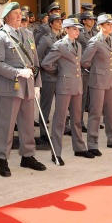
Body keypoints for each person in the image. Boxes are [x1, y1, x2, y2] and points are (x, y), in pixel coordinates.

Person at [0, 2, 45, 177]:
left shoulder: (28, 34)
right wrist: (17, 72)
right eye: (16, 13)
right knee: (6, 126)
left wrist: (37, 83)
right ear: (7, 17)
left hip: (27, 86)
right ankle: (2, 159)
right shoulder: (0, 36)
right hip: (9, 87)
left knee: (27, 124)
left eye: (21, 13)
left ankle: (27, 156)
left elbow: (35, 62)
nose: (20, 16)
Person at [41, 18, 93, 165]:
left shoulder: (78, 45)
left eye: (78, 29)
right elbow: (46, 63)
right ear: (66, 30)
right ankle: (56, 153)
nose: (77, 31)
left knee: (77, 119)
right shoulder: (60, 45)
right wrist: (59, 73)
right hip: (64, 86)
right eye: (74, 29)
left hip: (77, 85)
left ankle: (79, 148)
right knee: (60, 120)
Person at [81, 14, 112, 156]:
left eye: (111, 24)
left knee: (111, 111)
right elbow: (85, 61)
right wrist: (95, 71)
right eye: (107, 24)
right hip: (98, 81)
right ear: (100, 26)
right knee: (96, 112)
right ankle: (92, 143)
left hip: (111, 79)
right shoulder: (95, 41)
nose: (111, 26)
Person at [35, 13, 63, 144]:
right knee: (45, 106)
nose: (60, 23)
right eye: (57, 21)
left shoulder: (63, 38)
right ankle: (43, 132)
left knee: (61, 106)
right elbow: (38, 57)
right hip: (49, 76)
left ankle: (58, 131)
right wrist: (49, 69)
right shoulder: (46, 39)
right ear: (51, 24)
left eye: (61, 21)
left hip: (61, 76)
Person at [78, 11, 98, 132]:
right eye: (89, 19)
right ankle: (79, 122)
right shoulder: (80, 34)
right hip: (84, 69)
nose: (92, 21)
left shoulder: (95, 33)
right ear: (84, 21)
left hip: (95, 69)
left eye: (93, 19)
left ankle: (93, 121)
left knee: (93, 98)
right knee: (82, 98)